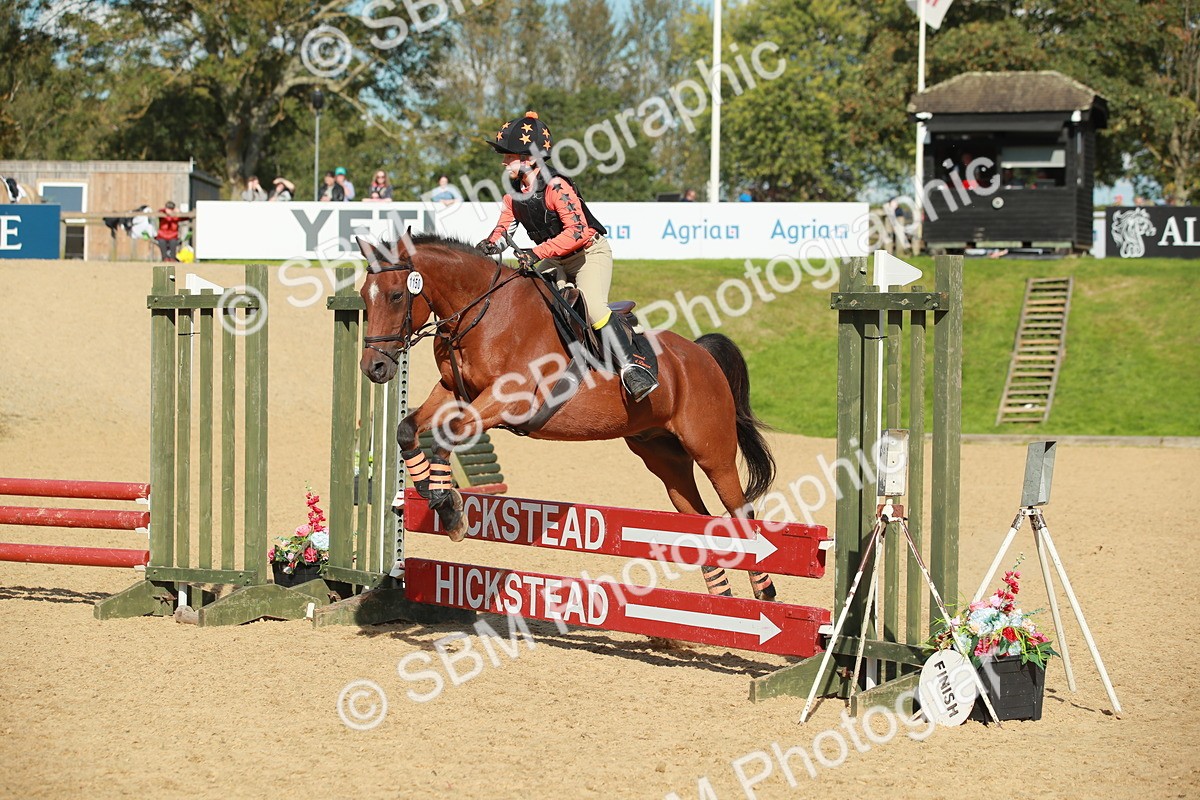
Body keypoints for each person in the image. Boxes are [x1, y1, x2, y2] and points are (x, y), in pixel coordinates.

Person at [474, 111, 657, 402]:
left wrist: (535, 252)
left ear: (530, 159)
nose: (503, 161)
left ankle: (633, 368)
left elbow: (578, 231)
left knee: (594, 307)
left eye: (509, 155)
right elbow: (504, 225)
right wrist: (490, 245)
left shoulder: (556, 186)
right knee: (520, 290)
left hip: (587, 254)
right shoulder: (513, 194)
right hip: (555, 258)